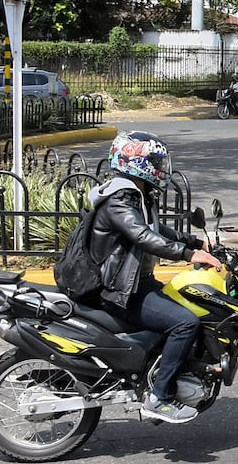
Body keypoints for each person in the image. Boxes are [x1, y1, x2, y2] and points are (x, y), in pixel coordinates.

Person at [80, 131, 223, 425]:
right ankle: (159, 398)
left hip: (133, 284)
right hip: (117, 291)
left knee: (186, 306)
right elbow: (144, 236)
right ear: (136, 161)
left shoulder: (138, 193)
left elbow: (159, 230)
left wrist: (196, 243)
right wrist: (188, 255)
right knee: (185, 322)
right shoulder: (120, 198)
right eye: (155, 160)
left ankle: (160, 372)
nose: (161, 167)